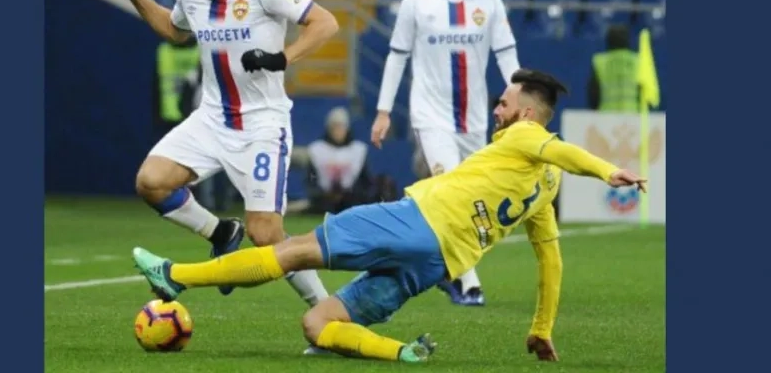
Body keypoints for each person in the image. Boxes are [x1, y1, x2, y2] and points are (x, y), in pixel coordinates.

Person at [132, 69, 647, 364]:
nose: (497, 109)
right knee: (318, 324)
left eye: (504, 103)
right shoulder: (545, 187)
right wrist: (541, 327)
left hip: (415, 220)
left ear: (528, 114)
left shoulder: (525, 137)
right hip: (436, 264)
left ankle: (175, 277)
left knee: (290, 249)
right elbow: (550, 261)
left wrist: (607, 171)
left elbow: (564, 152)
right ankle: (401, 353)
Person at [110, 0, 339, 328]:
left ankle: (328, 313)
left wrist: (281, 57)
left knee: (267, 235)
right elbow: (176, 31)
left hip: (262, 126)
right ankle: (219, 234)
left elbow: (326, 22)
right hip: (212, 119)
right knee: (151, 181)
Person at [371, 0, 522, 307]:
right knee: (452, 186)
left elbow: (506, 55)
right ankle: (467, 282)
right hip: (431, 115)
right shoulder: (416, 2)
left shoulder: (489, 2)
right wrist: (384, 110)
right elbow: (396, 56)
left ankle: (441, 266)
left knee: (471, 199)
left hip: (473, 120)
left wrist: (519, 99)